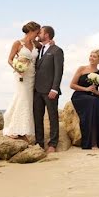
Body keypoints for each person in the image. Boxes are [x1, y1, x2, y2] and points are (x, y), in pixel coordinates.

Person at [69, 49, 99, 150]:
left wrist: (95, 92)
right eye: (91, 56)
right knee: (94, 102)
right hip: (79, 96)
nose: (91, 58)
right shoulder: (81, 69)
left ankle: (93, 143)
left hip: (93, 97)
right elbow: (72, 85)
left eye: (94, 56)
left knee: (94, 104)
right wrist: (86, 89)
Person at [2, 22, 40, 139]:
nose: (38, 35)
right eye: (37, 32)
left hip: (32, 75)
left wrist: (52, 42)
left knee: (28, 100)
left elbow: (46, 46)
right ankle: (14, 128)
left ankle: (23, 129)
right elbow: (9, 59)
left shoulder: (36, 44)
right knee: (23, 97)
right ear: (31, 31)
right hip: (21, 74)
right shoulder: (18, 43)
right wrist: (17, 68)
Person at [34, 25, 64, 153]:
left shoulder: (57, 50)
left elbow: (59, 71)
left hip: (50, 90)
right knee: (37, 117)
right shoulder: (38, 49)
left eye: (40, 32)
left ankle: (53, 144)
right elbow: (29, 40)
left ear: (46, 35)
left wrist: (55, 89)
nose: (37, 34)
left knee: (53, 117)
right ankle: (39, 143)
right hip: (36, 90)